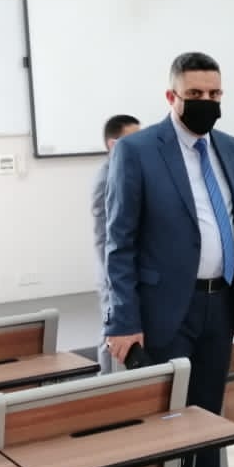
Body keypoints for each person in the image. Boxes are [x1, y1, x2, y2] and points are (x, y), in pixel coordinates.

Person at [104, 51, 234, 467]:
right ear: (172, 96)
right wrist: (123, 319)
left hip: (220, 305)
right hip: (166, 308)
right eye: (195, 94)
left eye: (215, 94)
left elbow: (233, 222)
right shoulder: (137, 151)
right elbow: (119, 242)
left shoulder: (229, 147)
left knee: (209, 416)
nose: (207, 102)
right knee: (170, 419)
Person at [90, 114, 140, 374]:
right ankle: (105, 381)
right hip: (112, 270)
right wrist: (113, 273)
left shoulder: (127, 171)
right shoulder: (106, 178)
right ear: (113, 144)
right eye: (133, 139)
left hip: (127, 268)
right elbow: (103, 235)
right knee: (112, 328)